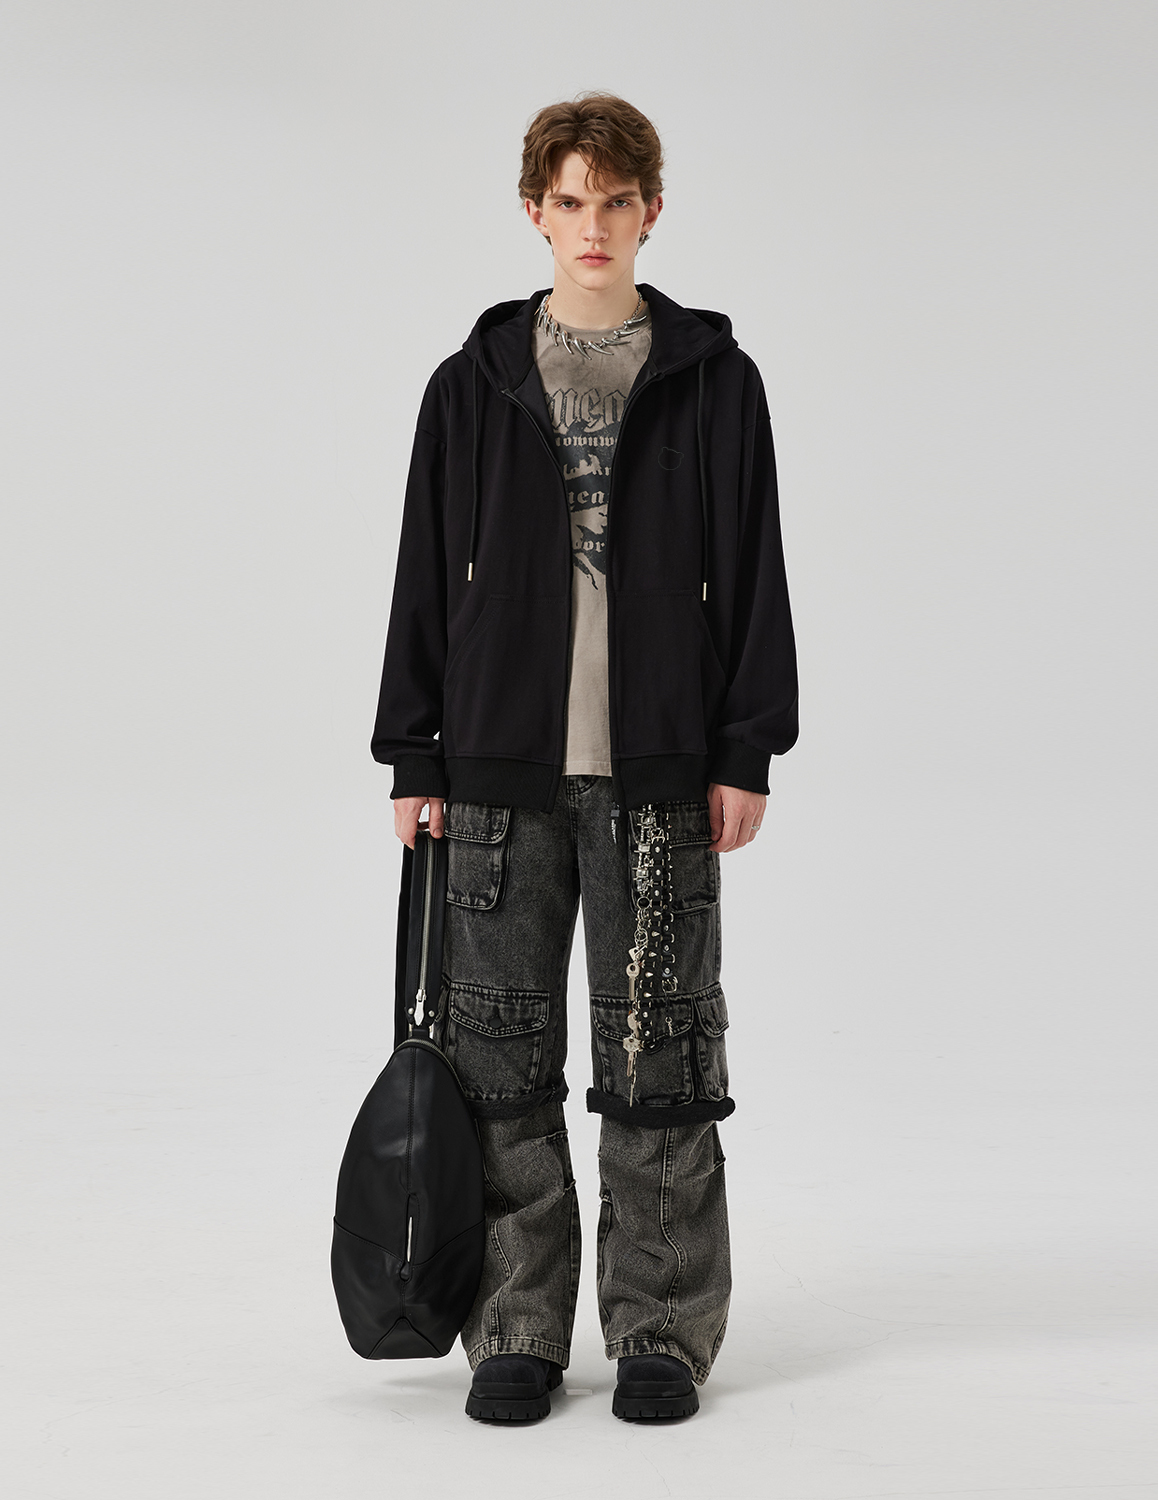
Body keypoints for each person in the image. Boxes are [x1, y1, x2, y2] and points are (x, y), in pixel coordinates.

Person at [370, 92, 797, 1424]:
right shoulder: (472, 385)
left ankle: (660, 1327)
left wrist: (746, 748)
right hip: (497, 776)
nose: (594, 226)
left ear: (651, 211)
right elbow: (426, 575)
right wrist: (414, 756)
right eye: (571, 202)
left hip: (663, 771)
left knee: (660, 1053)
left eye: (617, 202)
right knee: (497, 1058)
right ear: (535, 213)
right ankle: (515, 1323)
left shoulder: (715, 380)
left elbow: (754, 572)